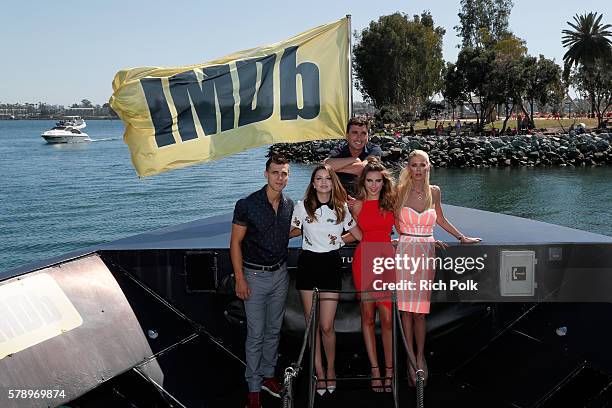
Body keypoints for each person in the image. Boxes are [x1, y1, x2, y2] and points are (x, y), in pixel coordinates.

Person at [395, 149, 481, 387]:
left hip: (426, 252)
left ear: (429, 167)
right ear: (408, 167)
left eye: (423, 165)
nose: (419, 170)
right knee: (406, 311)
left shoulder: (435, 192)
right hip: (405, 252)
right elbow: (394, 220)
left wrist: (461, 237)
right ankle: (410, 357)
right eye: (414, 165)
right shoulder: (399, 191)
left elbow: (440, 219)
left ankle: (420, 356)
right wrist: (398, 237)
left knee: (421, 311)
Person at [290, 164, 362, 396]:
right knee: (311, 327)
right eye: (318, 178)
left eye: (327, 179)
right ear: (312, 183)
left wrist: (341, 241)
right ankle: (319, 373)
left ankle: (331, 370)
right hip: (308, 267)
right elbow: (289, 231)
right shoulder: (302, 207)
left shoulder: (341, 208)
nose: (323, 182)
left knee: (327, 326)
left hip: (331, 267)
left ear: (333, 182)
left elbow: (359, 234)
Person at [230, 155, 294, 408]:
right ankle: (253, 388)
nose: (280, 177)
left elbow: (287, 231)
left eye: (285, 173)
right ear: (265, 174)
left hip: (280, 274)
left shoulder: (289, 204)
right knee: (256, 334)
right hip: (254, 276)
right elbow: (235, 243)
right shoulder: (247, 204)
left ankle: (268, 376)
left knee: (274, 331)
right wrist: (240, 279)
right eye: (276, 172)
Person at [348, 157, 397, 393]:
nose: (374, 185)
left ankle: (390, 370)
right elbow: (349, 232)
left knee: (387, 319)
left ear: (383, 182)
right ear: (363, 181)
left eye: (378, 180)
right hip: (364, 259)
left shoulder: (391, 202)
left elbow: (408, 227)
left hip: (387, 259)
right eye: (369, 180)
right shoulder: (355, 205)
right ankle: (375, 370)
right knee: (368, 317)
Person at [324, 117, 382, 197]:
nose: (359, 137)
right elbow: (326, 165)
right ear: (347, 135)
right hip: (340, 202)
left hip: (366, 201)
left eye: (363, 133)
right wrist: (354, 160)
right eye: (355, 133)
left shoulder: (374, 150)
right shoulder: (339, 151)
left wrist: (336, 168)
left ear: (368, 136)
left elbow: (363, 168)